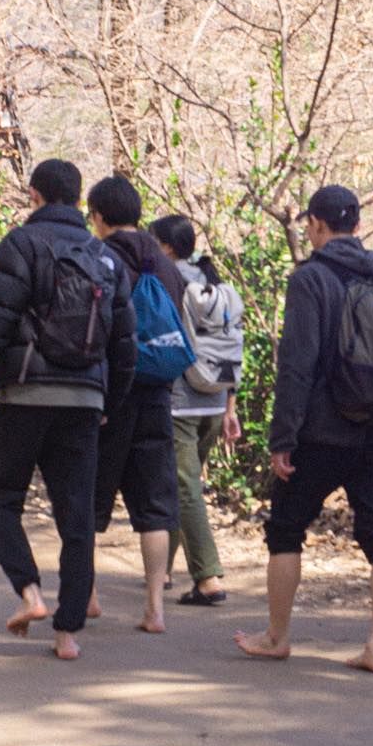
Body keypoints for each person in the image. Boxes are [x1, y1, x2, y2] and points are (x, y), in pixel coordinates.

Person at [0, 159, 136, 661]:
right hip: (84, 402)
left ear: (34, 194)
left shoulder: (21, 244)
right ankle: (67, 633)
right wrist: (108, 402)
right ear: (80, 201)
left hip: (25, 395)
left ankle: (30, 593)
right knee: (76, 517)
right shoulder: (105, 259)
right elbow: (125, 344)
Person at [236, 183, 373, 673]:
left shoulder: (310, 279)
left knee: (286, 530)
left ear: (316, 225)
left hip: (320, 431)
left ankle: (277, 636)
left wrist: (282, 437)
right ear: (358, 225)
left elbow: (297, 363)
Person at [87, 175, 186, 634]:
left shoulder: (99, 257)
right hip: (158, 394)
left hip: (111, 394)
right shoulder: (165, 263)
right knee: (155, 503)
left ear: (99, 217)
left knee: (88, 497)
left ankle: (86, 596)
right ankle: (154, 607)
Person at [150, 214, 242, 606]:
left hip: (180, 400)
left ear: (167, 247)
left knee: (184, 488)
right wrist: (230, 406)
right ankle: (162, 570)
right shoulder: (214, 282)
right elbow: (231, 343)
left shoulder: (168, 279)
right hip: (215, 397)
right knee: (179, 485)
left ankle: (208, 578)